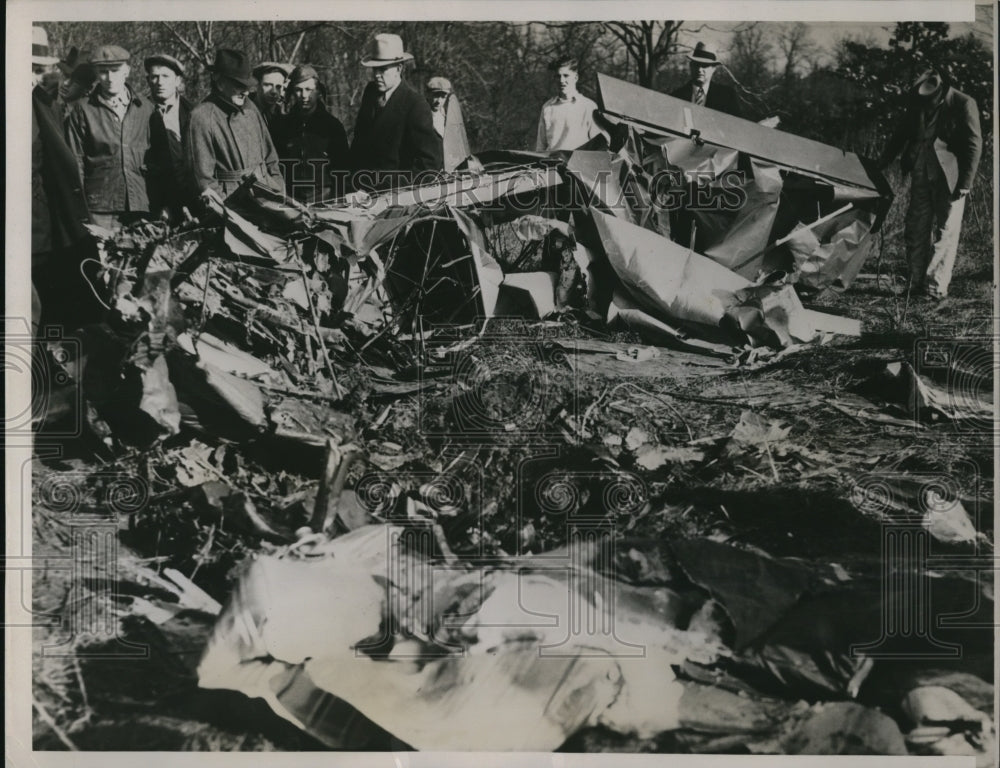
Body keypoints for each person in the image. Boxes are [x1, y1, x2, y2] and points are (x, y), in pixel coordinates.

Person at [878, 68, 982, 299]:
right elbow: (900, 135)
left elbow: (974, 143)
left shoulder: (963, 103)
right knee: (916, 228)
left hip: (951, 176)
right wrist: (880, 164)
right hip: (920, 172)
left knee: (945, 231)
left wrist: (965, 182)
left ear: (942, 90)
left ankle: (934, 288)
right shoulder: (917, 104)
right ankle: (915, 284)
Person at [31, 28, 97, 330]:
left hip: (44, 224)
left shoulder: (49, 105)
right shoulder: (43, 103)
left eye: (36, 69)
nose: (31, 76)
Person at [64, 44, 154, 230]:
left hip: (140, 205)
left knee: (141, 257)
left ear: (127, 71)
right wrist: (79, 208)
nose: (110, 77)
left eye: (115, 70)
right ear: (96, 73)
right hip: (99, 207)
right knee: (102, 258)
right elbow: (76, 162)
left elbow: (159, 159)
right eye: (103, 71)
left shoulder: (145, 108)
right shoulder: (83, 109)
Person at [186, 49, 284, 208]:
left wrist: (279, 189)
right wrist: (227, 209)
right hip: (233, 203)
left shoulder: (251, 108)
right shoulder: (201, 117)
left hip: (268, 193)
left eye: (247, 85)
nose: (246, 92)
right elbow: (203, 180)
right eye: (238, 85)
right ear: (219, 82)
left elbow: (271, 159)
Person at [350, 33, 443, 191]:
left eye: (383, 70)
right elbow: (358, 145)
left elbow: (429, 164)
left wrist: (392, 189)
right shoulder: (370, 93)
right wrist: (351, 185)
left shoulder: (415, 105)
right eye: (374, 69)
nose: (377, 75)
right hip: (359, 192)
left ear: (399, 69)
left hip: (395, 198)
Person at [272, 65, 350, 203]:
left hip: (324, 197)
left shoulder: (332, 126)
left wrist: (340, 198)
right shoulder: (282, 126)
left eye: (309, 89)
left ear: (318, 91)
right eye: (298, 90)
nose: (304, 96)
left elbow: (342, 168)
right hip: (291, 197)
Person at [144, 53, 194, 221]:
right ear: (148, 80)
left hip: (189, 200)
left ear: (177, 81)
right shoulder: (139, 113)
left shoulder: (193, 113)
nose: (159, 82)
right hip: (152, 201)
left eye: (165, 76)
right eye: (154, 77)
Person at [535, 57, 606, 152]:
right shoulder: (548, 107)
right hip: (551, 164)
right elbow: (540, 146)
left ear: (576, 77)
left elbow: (597, 146)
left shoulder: (589, 106)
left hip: (577, 164)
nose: (561, 80)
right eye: (558, 76)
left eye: (566, 75)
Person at [670, 42, 742, 118]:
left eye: (705, 65)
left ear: (713, 68)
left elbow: (737, 126)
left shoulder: (727, 97)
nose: (700, 69)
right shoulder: (676, 96)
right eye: (697, 64)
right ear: (691, 66)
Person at [425, 76, 471, 172]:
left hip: (449, 168)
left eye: (443, 97)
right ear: (427, 94)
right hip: (429, 170)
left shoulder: (447, 116)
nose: (439, 101)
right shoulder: (421, 115)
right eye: (436, 95)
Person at [250, 61, 292, 139]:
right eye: (268, 85)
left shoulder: (283, 116)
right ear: (257, 85)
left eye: (278, 87)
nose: (274, 91)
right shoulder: (245, 113)